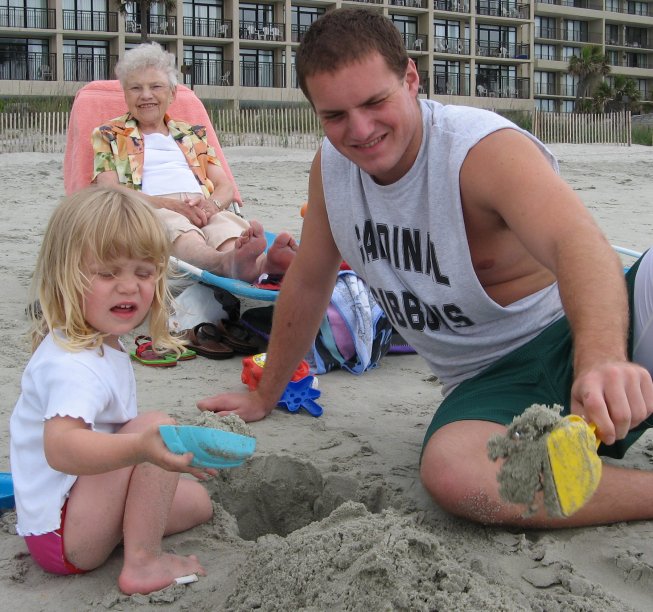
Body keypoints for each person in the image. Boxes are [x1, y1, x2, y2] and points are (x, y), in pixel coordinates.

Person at [198, 8, 653, 529]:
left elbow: (579, 244)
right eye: (336, 116)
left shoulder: (479, 150)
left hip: (597, 330)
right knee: (457, 475)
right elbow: (307, 281)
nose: (361, 131)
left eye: (375, 102)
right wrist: (264, 394)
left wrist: (600, 360)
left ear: (411, 78)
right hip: (490, 382)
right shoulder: (333, 170)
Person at [9, 186, 214, 595]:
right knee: (155, 428)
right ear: (64, 275)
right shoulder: (73, 365)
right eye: (107, 273)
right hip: (63, 534)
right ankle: (142, 563)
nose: (129, 287)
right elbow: (62, 448)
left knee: (197, 501)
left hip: (72, 516)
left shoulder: (97, 341)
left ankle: (130, 534)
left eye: (143, 272)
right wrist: (141, 449)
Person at [92, 42, 297, 283]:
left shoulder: (192, 134)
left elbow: (225, 185)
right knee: (178, 228)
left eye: (156, 86)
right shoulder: (109, 134)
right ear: (125, 95)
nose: (146, 95)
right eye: (136, 88)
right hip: (147, 210)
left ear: (172, 93)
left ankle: (261, 263)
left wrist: (211, 206)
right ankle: (222, 263)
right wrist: (171, 205)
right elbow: (109, 190)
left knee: (225, 226)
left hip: (200, 206)